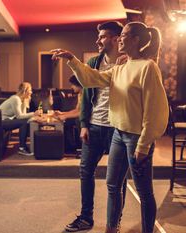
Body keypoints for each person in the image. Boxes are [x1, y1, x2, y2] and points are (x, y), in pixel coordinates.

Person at [52, 22, 169, 233]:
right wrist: (72, 60)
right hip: (118, 134)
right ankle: (111, 229)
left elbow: (156, 111)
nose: (120, 39)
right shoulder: (120, 66)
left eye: (123, 35)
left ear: (135, 40)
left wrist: (144, 144)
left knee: (144, 193)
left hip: (136, 138)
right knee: (113, 185)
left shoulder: (148, 68)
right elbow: (92, 79)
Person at [64, 21, 128, 232]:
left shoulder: (129, 63)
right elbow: (85, 98)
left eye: (102, 36)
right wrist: (84, 124)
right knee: (85, 171)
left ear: (116, 38)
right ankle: (85, 217)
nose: (97, 40)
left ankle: (114, 221)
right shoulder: (93, 62)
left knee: (118, 179)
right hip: (94, 127)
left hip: (119, 129)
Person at [0, 82, 42, 156]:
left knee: (25, 122)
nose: (31, 92)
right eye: (30, 90)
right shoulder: (16, 99)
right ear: (25, 91)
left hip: (7, 120)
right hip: (0, 121)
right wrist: (33, 114)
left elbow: (23, 116)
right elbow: (19, 116)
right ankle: (22, 148)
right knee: (23, 123)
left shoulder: (22, 100)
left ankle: (24, 146)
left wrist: (33, 117)